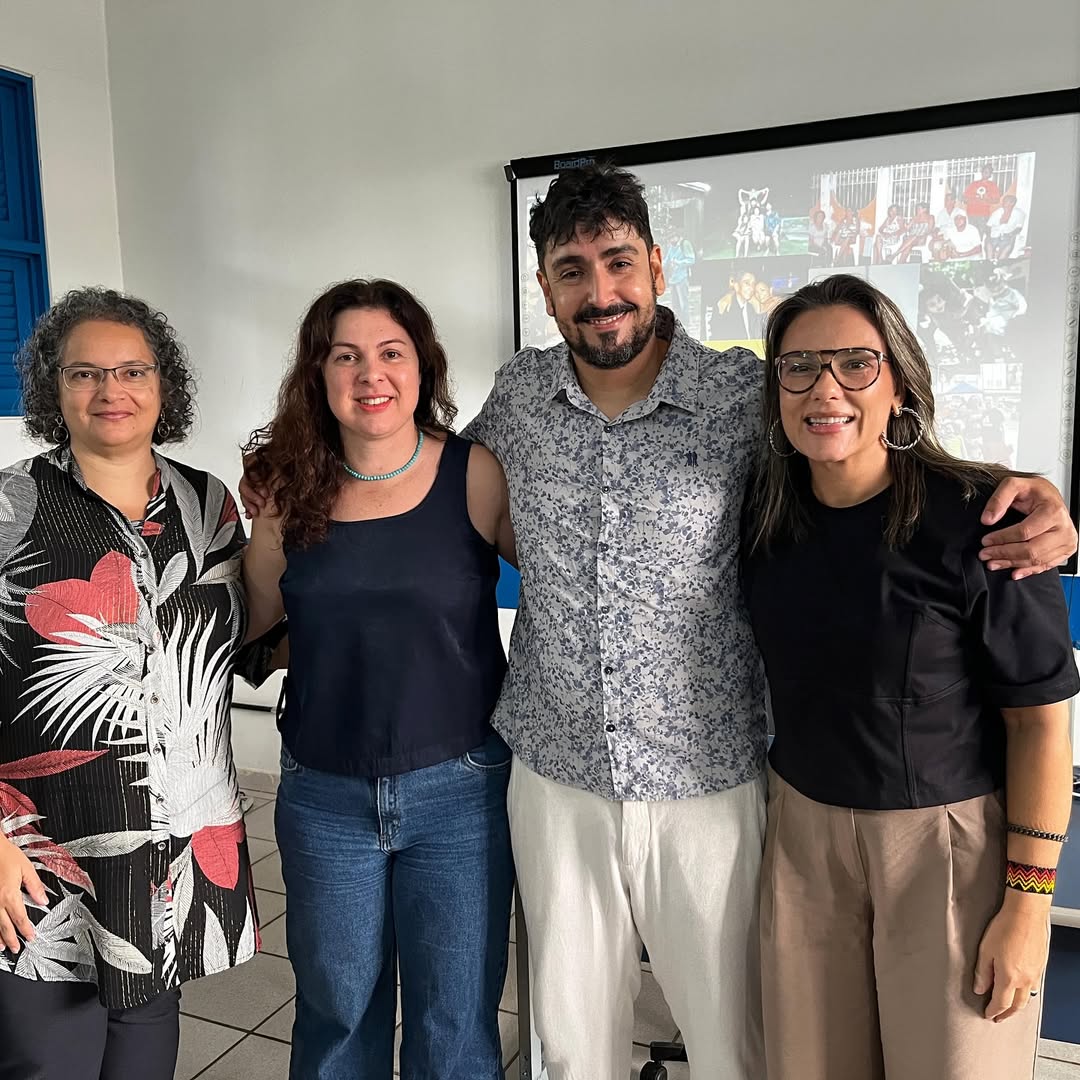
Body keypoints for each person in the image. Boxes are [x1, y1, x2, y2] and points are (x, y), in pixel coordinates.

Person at [453, 165, 1074, 1080]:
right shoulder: (517, 396)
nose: (600, 292)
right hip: (557, 772)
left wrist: (1038, 494)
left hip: (710, 779)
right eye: (572, 271)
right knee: (569, 1043)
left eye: (618, 261)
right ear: (545, 290)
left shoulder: (744, 393)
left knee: (738, 1044)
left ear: (657, 266)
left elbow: (862, 455)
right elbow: (442, 488)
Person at [743, 274, 1077, 1080]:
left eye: (856, 363)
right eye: (799, 366)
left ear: (899, 384)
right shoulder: (760, 515)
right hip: (802, 844)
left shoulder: (986, 521)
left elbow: (1039, 723)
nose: (825, 388)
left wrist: (1028, 908)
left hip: (947, 854)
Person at [241, 279, 515, 1080]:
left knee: (454, 1027)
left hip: (461, 790)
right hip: (324, 794)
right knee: (337, 1021)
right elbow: (255, 630)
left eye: (391, 353)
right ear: (318, 374)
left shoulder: (474, 474)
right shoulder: (287, 492)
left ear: (422, 367)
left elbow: (572, 589)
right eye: (346, 356)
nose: (371, 375)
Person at [0, 288, 257, 1079]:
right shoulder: (10, 505)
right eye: (85, 373)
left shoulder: (207, 502)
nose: (110, 390)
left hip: (170, 859)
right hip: (41, 853)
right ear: (53, 390)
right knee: (47, 1061)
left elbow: (244, 642)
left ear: (162, 385)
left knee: (145, 1058)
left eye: (132, 371)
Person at [714, 269, 761, 340]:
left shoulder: (751, 308)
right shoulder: (726, 307)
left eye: (753, 284)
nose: (751, 288)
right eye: (747, 283)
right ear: (736, 286)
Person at [663, 229, 696, 329]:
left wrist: (678, 262)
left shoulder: (684, 244)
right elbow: (666, 261)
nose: (670, 240)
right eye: (669, 239)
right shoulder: (671, 246)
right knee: (675, 304)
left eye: (672, 238)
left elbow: (691, 259)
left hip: (682, 277)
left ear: (677, 236)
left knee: (683, 303)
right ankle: (678, 324)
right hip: (673, 278)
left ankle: (686, 323)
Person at [964, 164, 1002, 238]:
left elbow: (996, 200)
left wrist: (987, 199)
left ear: (990, 174)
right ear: (982, 172)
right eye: (984, 171)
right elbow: (965, 198)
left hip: (983, 214)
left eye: (988, 172)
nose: (985, 173)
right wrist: (971, 199)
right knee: (971, 234)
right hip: (971, 212)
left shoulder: (993, 185)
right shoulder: (974, 184)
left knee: (980, 234)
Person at [986, 195, 1026, 261]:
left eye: (1005, 201)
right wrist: (989, 237)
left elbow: (1019, 228)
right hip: (994, 234)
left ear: (1012, 203)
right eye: (1003, 201)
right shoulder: (997, 212)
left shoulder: (1019, 214)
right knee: (989, 249)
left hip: (1008, 235)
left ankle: (1000, 263)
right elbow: (988, 226)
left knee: (1003, 254)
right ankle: (989, 262)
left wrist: (1011, 235)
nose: (1003, 203)